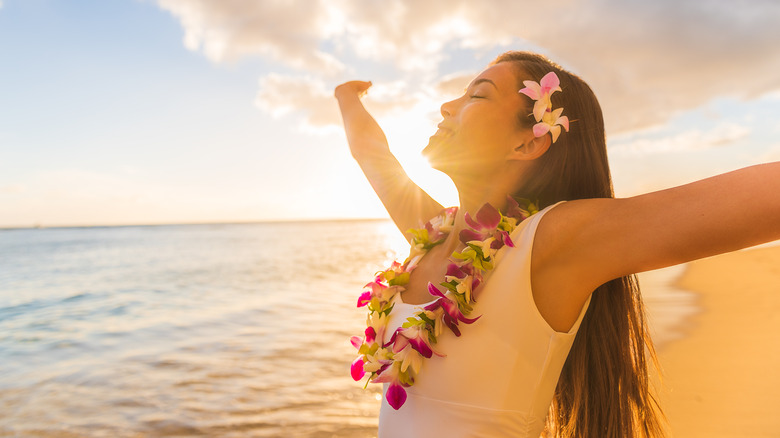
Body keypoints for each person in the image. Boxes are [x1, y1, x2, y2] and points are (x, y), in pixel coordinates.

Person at [334, 51, 780, 438]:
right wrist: (346, 97)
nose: (447, 106)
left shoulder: (551, 243)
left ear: (528, 142)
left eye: (477, 95)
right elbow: (373, 156)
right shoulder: (432, 234)